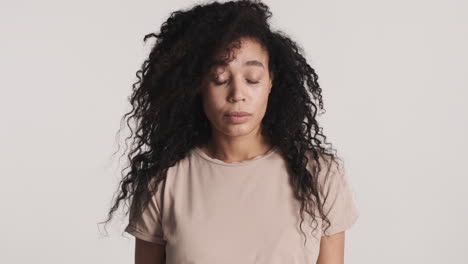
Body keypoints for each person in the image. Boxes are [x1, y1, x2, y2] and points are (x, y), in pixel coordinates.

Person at [99, 0, 359, 263]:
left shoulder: (319, 175)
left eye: (252, 79)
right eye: (220, 79)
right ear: (197, 85)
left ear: (271, 82)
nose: (237, 95)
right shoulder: (163, 181)